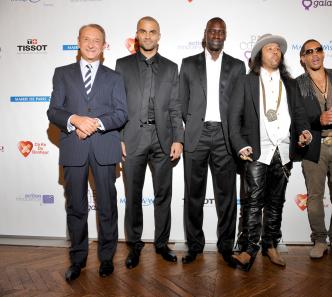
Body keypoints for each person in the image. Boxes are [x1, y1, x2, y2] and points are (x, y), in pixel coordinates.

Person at [47, 24, 127, 281]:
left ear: (104, 46)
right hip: (73, 148)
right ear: (78, 42)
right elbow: (54, 111)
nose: (92, 44)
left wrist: (93, 124)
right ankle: (77, 259)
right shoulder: (62, 74)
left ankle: (106, 259)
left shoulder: (114, 77)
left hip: (104, 146)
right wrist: (74, 120)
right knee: (76, 207)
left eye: (97, 40)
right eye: (87, 39)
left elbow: (121, 113)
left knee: (107, 207)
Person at [229, 34, 312, 271]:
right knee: (253, 202)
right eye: (269, 49)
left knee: (276, 202)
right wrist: (240, 143)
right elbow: (233, 118)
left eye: (278, 49)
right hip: (256, 150)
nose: (275, 52)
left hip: (284, 150)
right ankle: (248, 248)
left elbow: (299, 114)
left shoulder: (291, 83)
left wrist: (305, 131)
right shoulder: (246, 81)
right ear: (259, 55)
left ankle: (271, 245)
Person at [115, 16, 184, 267]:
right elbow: (117, 106)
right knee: (132, 195)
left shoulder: (170, 67)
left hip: (162, 139)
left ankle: (162, 243)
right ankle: (134, 245)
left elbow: (175, 107)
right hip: (132, 138)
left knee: (163, 194)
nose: (147, 36)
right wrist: (119, 137)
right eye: (143, 31)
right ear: (137, 35)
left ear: (158, 36)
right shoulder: (121, 65)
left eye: (152, 32)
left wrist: (179, 138)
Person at [179, 17, 246, 266]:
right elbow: (180, 104)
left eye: (221, 31)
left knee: (226, 196)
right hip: (196, 135)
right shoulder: (188, 64)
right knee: (193, 194)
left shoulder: (238, 66)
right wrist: (196, 123)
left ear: (225, 35)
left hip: (225, 137)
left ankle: (226, 247)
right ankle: (195, 246)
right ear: (205, 34)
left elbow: (240, 106)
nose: (216, 35)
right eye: (212, 31)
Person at [296, 39, 332, 261]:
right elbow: (298, 120)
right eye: (308, 51)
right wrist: (317, 120)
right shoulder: (298, 84)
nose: (315, 54)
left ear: (323, 53)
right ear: (302, 58)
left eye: (318, 49)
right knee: (314, 197)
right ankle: (319, 239)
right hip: (314, 148)